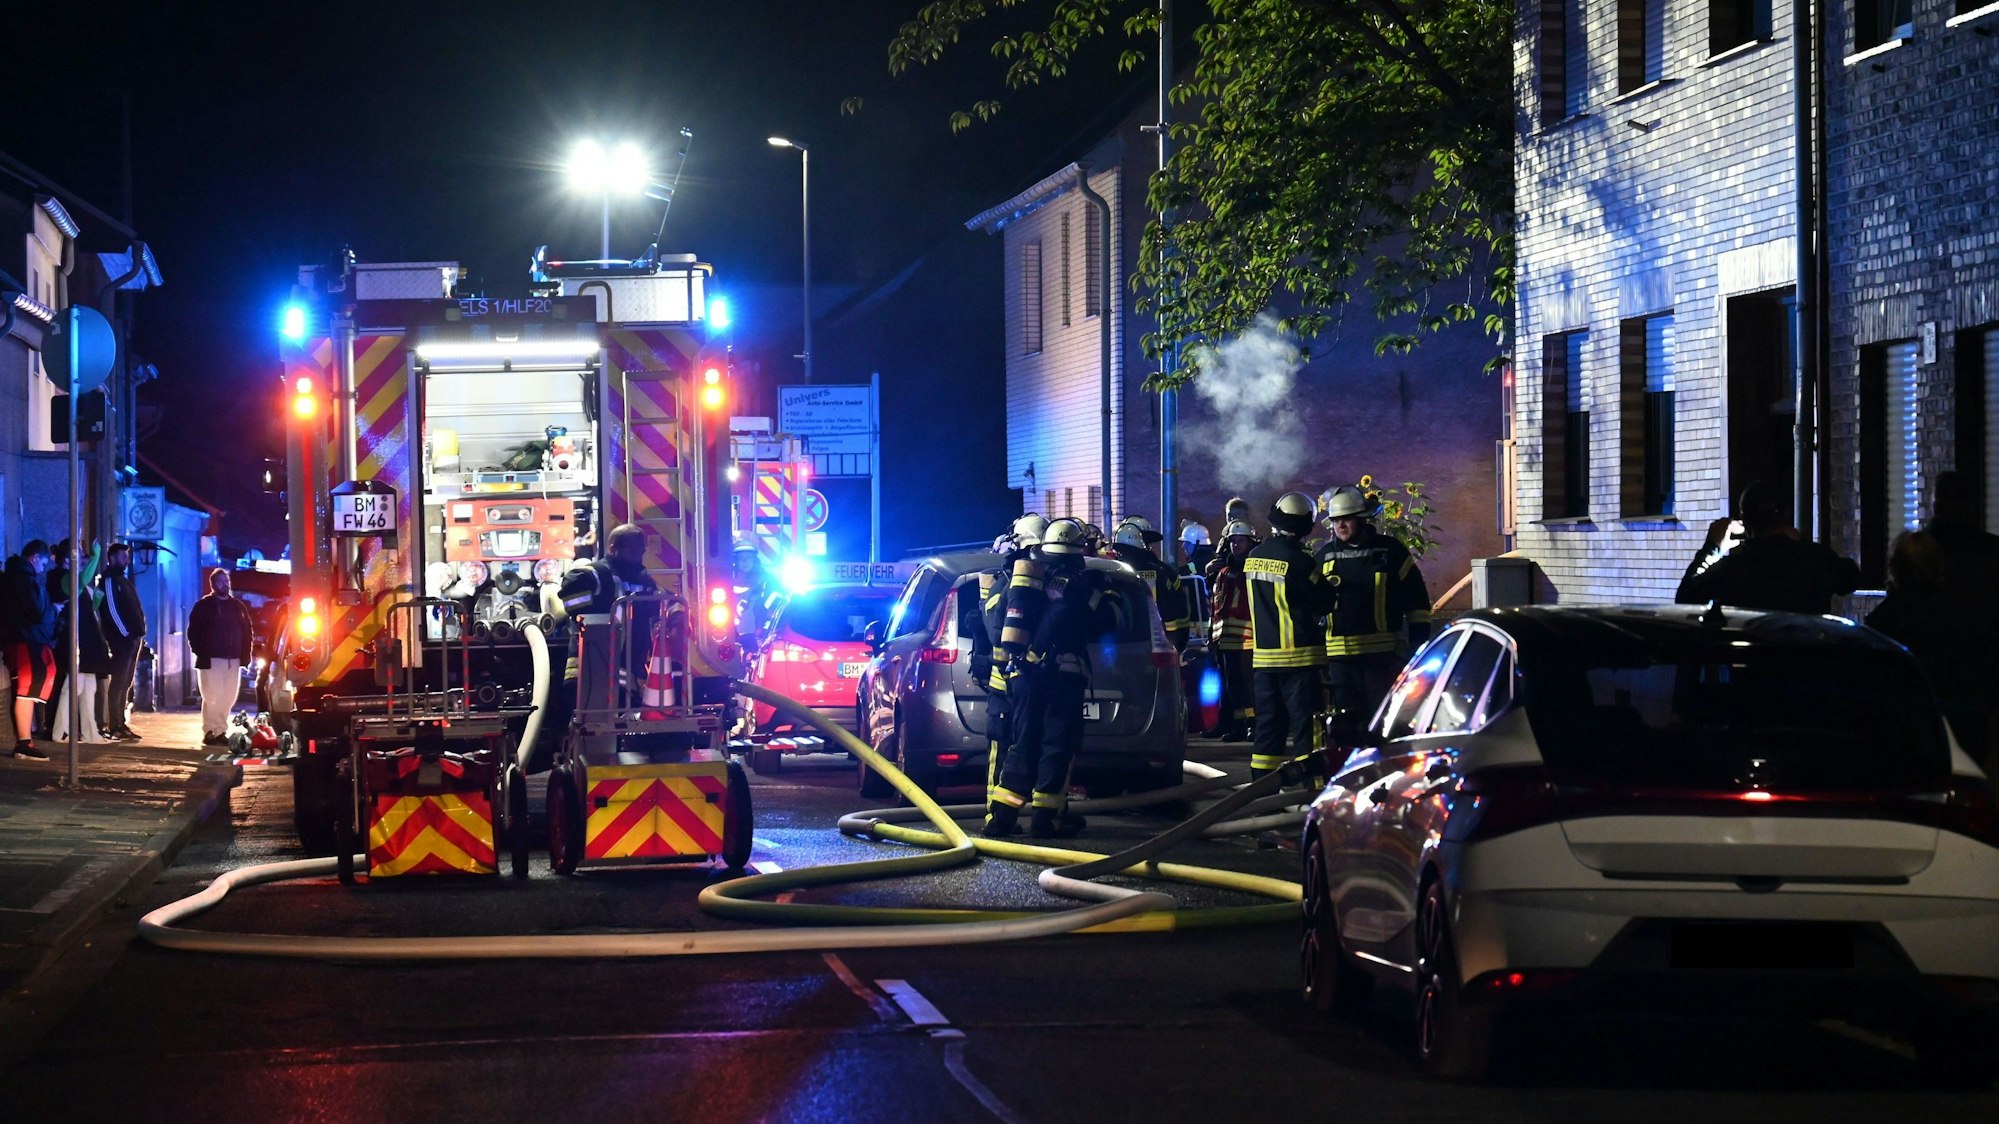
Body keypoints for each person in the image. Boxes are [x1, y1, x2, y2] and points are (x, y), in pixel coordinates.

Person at [986, 517, 1130, 839]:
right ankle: (1045, 821)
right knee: (1057, 746)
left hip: (1023, 675)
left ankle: (1003, 819)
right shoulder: (1081, 584)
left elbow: (998, 624)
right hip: (1063, 677)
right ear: (1077, 552)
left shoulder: (1025, 578)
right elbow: (1110, 622)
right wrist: (1109, 591)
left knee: (1023, 744)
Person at [1316, 484, 1433, 739]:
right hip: (1339, 662)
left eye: (1346, 519)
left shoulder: (1390, 552)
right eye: (1336, 520)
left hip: (1381, 659)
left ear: (1361, 519)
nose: (1340, 526)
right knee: (1345, 728)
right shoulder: (1324, 557)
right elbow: (1311, 609)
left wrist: (1417, 647)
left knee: (1382, 725)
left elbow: (1417, 604)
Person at [1245, 494, 1337, 780]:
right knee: (1307, 729)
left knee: (1268, 730)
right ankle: (1313, 790)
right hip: (1300, 661)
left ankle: (1261, 793)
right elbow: (1324, 603)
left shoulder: (1252, 558)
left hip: (1264, 662)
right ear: (1305, 526)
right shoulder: (1300, 561)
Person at [1675, 481, 1861, 614]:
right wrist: (1802, 542)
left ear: (1744, 521)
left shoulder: (1730, 570)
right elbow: (1852, 578)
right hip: (1807, 663)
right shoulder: (1817, 560)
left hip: (1754, 665)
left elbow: (1686, 598)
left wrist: (1712, 547)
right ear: (1786, 513)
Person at [974, 514, 1045, 808]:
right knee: (1003, 748)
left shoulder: (1017, 583)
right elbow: (996, 631)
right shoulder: (1008, 586)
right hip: (1007, 681)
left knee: (1017, 747)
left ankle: (1005, 810)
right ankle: (995, 810)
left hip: (1020, 682)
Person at [48, 540, 113, 743]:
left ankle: (90, 731)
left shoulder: (74, 578)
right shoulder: (62, 577)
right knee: (72, 686)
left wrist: (97, 598)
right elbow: (80, 583)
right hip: (75, 638)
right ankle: (61, 731)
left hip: (87, 637)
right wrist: (96, 556)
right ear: (68, 559)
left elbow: (87, 601)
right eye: (80, 557)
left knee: (88, 688)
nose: (83, 561)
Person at [3, 542, 60, 759]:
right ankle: (24, 742)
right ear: (35, 558)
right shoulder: (24, 580)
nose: (43, 568)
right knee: (26, 692)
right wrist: (52, 610)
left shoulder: (15, 577)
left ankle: (25, 740)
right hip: (27, 640)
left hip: (23, 639)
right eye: (43, 563)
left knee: (26, 691)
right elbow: (36, 610)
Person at [188, 568, 255, 747]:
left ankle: (221, 731)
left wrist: (245, 657)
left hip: (232, 660)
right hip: (211, 659)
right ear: (212, 584)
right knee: (212, 696)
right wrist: (201, 651)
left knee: (228, 697)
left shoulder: (237, 606)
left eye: (226, 580)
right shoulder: (204, 605)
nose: (224, 584)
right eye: (220, 581)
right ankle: (210, 731)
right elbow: (193, 631)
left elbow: (247, 631)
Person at [1204, 520, 1258, 741]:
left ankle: (1253, 724)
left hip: (1247, 638)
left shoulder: (1254, 568)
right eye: (1233, 541)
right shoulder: (1223, 572)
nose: (1236, 545)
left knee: (1247, 686)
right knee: (1231, 687)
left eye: (1241, 541)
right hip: (1224, 639)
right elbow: (1216, 606)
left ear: (1250, 542)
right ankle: (1237, 725)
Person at [1108, 516, 1190, 652]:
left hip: (1121, 643)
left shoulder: (1111, 573)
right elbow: (1175, 610)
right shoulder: (1162, 572)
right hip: (1155, 641)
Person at [98, 542, 147, 740]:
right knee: (118, 682)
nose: (126, 560)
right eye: (123, 556)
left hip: (132, 639)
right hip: (122, 641)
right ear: (112, 558)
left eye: (127, 556)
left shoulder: (122, 580)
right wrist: (125, 634)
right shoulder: (110, 580)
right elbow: (111, 610)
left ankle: (121, 723)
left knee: (126, 682)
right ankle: (114, 725)